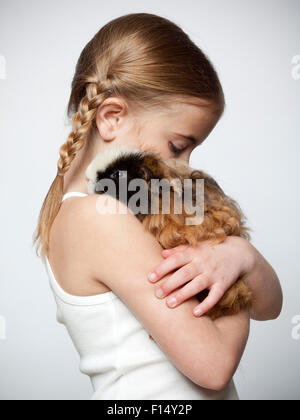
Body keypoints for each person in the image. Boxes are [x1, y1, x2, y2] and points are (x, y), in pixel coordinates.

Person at [34, 13, 283, 400]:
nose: (185, 167)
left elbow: (273, 307)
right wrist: (230, 263)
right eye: (178, 147)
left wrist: (241, 255)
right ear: (112, 117)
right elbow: (213, 366)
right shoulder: (97, 218)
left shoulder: (135, 208)